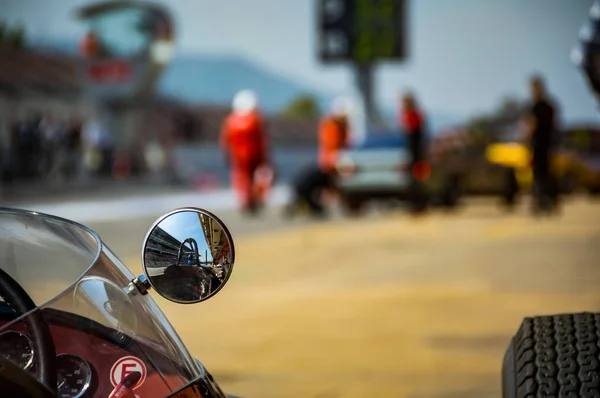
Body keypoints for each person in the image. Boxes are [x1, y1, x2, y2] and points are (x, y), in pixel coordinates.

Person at [284, 97, 352, 219]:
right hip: (328, 166)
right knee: (311, 190)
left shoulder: (337, 126)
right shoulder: (332, 126)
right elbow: (333, 148)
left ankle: (311, 207)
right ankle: (305, 207)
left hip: (329, 165)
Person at [220, 90, 272, 215]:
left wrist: (227, 154)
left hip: (238, 157)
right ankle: (253, 200)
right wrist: (265, 157)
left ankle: (247, 201)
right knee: (258, 179)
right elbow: (263, 140)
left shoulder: (230, 120)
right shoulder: (256, 119)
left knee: (242, 180)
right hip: (254, 155)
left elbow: (225, 140)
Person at [525, 76, 560, 214]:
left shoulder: (536, 106)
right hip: (549, 143)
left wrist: (527, 138)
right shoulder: (550, 105)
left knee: (539, 173)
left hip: (539, 144)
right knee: (547, 172)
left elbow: (531, 124)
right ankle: (550, 199)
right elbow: (556, 121)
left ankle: (540, 200)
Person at [398, 92, 428, 213]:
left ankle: (417, 204)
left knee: (415, 180)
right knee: (412, 180)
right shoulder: (410, 114)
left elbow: (413, 135)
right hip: (413, 153)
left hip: (415, 153)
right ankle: (415, 204)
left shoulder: (413, 115)